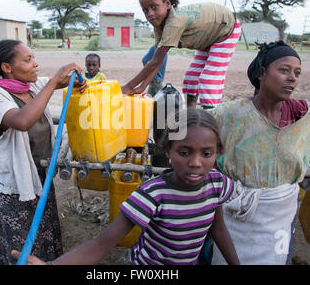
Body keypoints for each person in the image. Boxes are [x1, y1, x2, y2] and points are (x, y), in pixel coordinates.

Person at [12, 108, 240, 265]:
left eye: (206, 153)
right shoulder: (152, 195)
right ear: (168, 151)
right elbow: (102, 243)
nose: (196, 163)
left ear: (217, 153)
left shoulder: (216, 184)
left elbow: (218, 229)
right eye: (184, 152)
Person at [208, 41, 310, 265]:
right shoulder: (229, 115)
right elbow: (183, 129)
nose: (292, 78)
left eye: (297, 73)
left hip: (280, 212)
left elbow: (302, 157)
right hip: (236, 213)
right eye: (284, 70)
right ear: (262, 73)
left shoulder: (304, 119)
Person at [0, 39, 87, 265]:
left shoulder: (32, 87)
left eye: (34, 58)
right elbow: (22, 121)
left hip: (41, 179)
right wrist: (53, 83)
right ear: (7, 68)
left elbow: (61, 82)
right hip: (15, 188)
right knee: (21, 246)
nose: (35, 65)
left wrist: (77, 80)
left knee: (44, 236)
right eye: (28, 60)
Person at [121, 0, 241, 109]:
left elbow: (155, 62)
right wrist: (141, 87)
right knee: (191, 76)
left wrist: (128, 87)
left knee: (208, 79)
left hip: (225, 30)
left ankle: (212, 119)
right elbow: (157, 60)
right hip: (206, 39)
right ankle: (191, 114)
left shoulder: (175, 22)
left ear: (167, 4)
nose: (150, 13)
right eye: (145, 10)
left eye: (154, 7)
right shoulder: (159, 25)